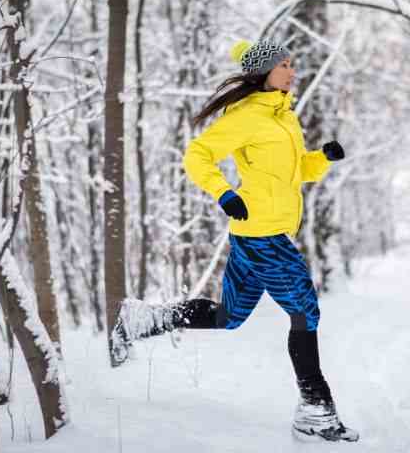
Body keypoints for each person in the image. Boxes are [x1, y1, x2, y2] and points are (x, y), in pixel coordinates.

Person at [111, 38, 358, 443]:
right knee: (305, 312)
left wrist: (322, 159)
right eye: (285, 65)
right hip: (262, 234)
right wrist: (225, 193)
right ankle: (316, 409)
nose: (293, 72)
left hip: (257, 234)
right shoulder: (245, 117)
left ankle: (143, 320)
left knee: (229, 317)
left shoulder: (284, 118)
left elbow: (295, 175)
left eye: (292, 65)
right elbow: (197, 154)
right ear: (265, 72)